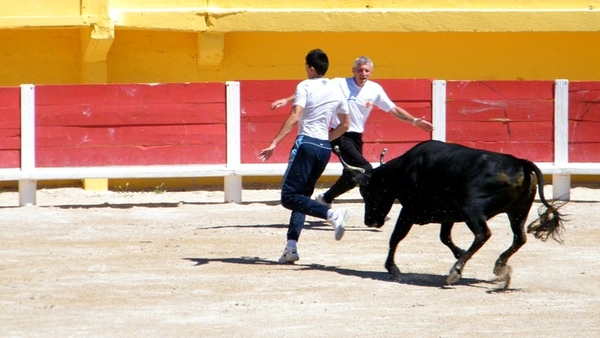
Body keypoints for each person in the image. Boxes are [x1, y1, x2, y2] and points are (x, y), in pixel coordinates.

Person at [271, 56, 434, 208]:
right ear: (353, 71)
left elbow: (393, 109)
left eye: (366, 71)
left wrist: (414, 121)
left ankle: (325, 199)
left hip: (356, 137)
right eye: (360, 70)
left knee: (351, 177)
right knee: (365, 169)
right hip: (340, 134)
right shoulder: (340, 83)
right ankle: (377, 207)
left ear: (371, 72)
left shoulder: (375, 89)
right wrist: (287, 99)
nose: (363, 74)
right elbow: (313, 89)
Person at [258, 49, 351, 264]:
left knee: (288, 197)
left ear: (310, 68)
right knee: (302, 198)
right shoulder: (337, 89)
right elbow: (345, 124)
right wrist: (327, 139)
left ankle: (332, 215)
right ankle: (291, 247)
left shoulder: (305, 85)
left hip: (306, 144)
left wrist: (274, 143)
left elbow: (295, 116)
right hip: (323, 149)